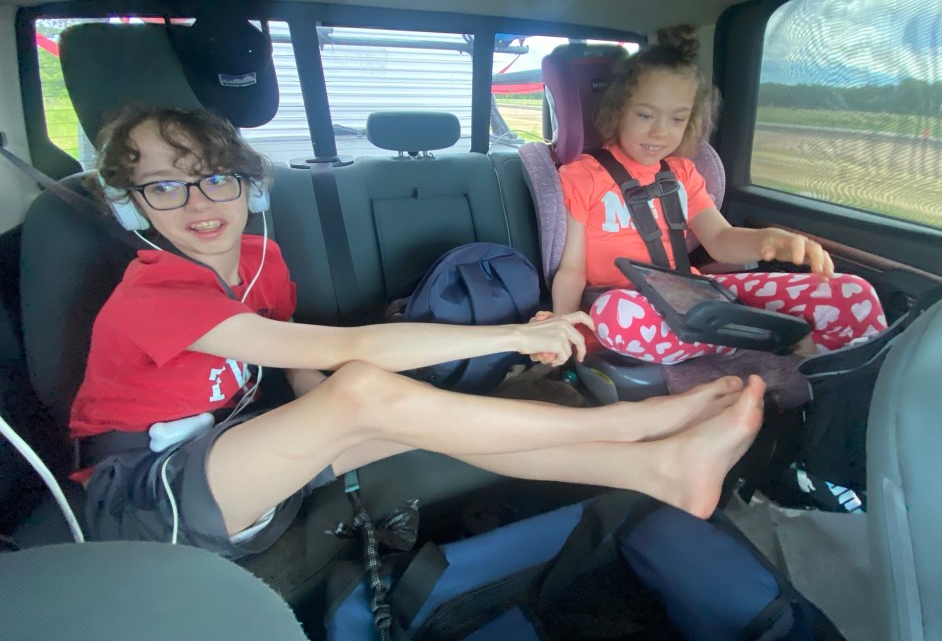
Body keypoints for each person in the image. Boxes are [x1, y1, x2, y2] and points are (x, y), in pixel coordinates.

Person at [69, 106, 766, 559]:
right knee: (364, 389)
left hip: (241, 460)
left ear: (248, 186)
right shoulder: (154, 294)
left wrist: (337, 423)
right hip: (144, 500)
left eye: (215, 178)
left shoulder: (261, 261)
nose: (197, 203)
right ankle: (637, 424)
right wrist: (514, 337)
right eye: (164, 187)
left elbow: (303, 375)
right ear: (132, 208)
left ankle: (655, 469)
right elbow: (343, 352)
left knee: (422, 419)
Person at [551, 25, 888, 364]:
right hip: (627, 303)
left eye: (677, 119)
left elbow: (720, 239)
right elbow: (572, 270)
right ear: (618, 110)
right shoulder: (583, 176)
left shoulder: (682, 174)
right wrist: (562, 327)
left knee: (854, 293)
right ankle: (747, 338)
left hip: (699, 299)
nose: (660, 132)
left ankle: (813, 364)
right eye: (645, 115)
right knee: (614, 314)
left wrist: (768, 240)